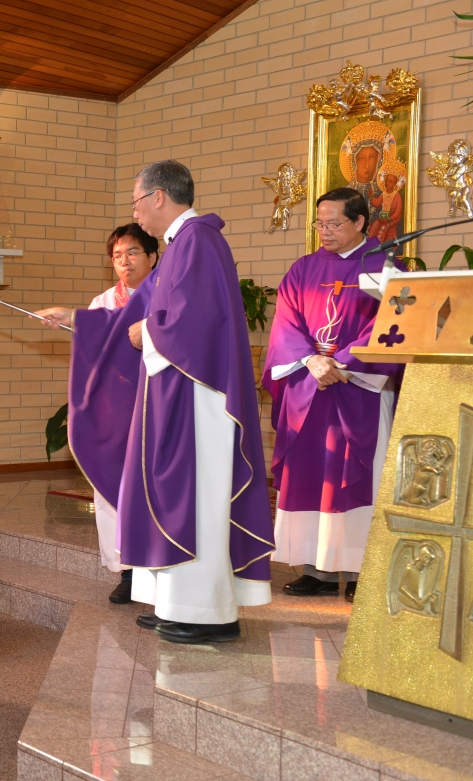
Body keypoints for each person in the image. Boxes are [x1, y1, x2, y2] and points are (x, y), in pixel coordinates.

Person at [70, 160, 274, 644]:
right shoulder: (182, 245)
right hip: (175, 391)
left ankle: (208, 613)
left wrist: (148, 332)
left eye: (136, 202)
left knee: (194, 497)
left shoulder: (199, 241)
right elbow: (143, 308)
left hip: (198, 396)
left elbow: (192, 320)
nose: (135, 213)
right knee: (171, 493)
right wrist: (80, 320)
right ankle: (176, 604)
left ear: (158, 196)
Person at [263, 188, 401, 603]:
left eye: (334, 224)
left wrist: (341, 363)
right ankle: (315, 569)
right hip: (309, 386)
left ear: (359, 222)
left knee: (358, 477)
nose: (324, 231)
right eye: (319, 224)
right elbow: (285, 324)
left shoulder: (387, 269)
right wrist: (311, 361)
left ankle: (362, 571)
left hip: (358, 388)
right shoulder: (303, 268)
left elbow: (392, 325)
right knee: (311, 474)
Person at [38, 223, 159, 605]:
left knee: (153, 488)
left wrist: (75, 318)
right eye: (117, 255)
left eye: (133, 252)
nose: (124, 261)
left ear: (153, 256)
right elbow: (96, 350)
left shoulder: (166, 293)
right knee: (112, 489)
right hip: (117, 409)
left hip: (158, 407)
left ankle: (158, 569)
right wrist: (75, 322)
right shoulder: (104, 301)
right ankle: (127, 572)